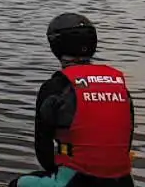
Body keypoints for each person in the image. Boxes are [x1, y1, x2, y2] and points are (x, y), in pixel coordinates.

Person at [9, 13, 136, 187]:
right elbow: (125, 142)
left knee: (19, 184)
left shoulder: (55, 87)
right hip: (123, 181)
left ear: (56, 45)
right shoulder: (119, 85)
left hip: (76, 181)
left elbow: (43, 150)